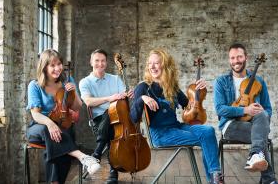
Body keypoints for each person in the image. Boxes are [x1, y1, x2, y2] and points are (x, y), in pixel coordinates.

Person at [130, 49, 223, 184]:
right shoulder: (143, 87)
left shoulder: (171, 86)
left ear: (165, 65)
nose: (152, 66)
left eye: (156, 63)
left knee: (208, 131)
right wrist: (142, 98)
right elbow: (133, 118)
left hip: (176, 127)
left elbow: (189, 107)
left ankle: (215, 178)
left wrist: (199, 89)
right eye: (150, 63)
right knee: (205, 137)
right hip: (160, 134)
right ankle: (215, 180)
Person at [26, 49, 100, 184]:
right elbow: (35, 114)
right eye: (52, 65)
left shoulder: (68, 80)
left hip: (61, 129)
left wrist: (75, 93)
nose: (57, 68)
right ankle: (83, 157)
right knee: (50, 131)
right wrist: (50, 124)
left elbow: (77, 107)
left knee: (57, 143)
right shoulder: (35, 85)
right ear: (44, 67)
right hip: (38, 128)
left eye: (59, 64)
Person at [213, 43, 277, 184]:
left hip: (254, 124)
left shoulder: (259, 81)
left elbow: (268, 109)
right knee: (260, 136)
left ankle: (255, 155)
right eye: (233, 58)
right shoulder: (221, 82)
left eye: (239, 57)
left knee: (263, 115)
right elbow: (220, 109)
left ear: (246, 57)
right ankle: (269, 180)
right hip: (230, 125)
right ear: (229, 60)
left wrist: (260, 111)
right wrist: (244, 110)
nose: (236, 61)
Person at [79, 49, 133, 184]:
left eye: (103, 60)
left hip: (118, 119)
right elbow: (88, 102)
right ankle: (113, 173)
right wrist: (110, 98)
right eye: (97, 60)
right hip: (98, 121)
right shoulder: (85, 82)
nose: (100, 63)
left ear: (106, 63)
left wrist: (129, 95)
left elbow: (124, 98)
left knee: (113, 118)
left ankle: (96, 153)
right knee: (110, 114)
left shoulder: (115, 79)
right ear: (91, 62)